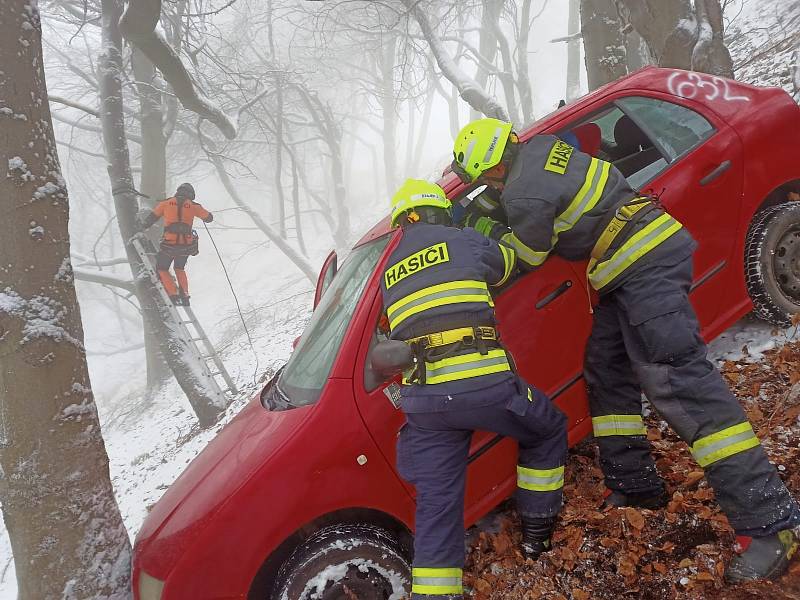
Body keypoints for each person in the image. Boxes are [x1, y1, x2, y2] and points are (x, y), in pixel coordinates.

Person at [449, 117, 800, 582]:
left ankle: (771, 524)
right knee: (607, 370)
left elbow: (525, 256)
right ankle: (635, 486)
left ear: (490, 172)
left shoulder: (522, 195)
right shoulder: (546, 150)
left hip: (641, 265)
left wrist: (478, 225)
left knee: (679, 382)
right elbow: (558, 198)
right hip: (628, 263)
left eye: (482, 180)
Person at [380, 179, 567, 599]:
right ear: (438, 213)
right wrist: (486, 225)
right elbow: (507, 264)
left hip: (426, 406)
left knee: (437, 504)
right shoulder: (461, 239)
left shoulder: (387, 272)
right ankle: (537, 531)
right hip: (485, 388)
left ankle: (435, 594)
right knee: (548, 426)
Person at [138, 183, 213, 306]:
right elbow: (209, 218)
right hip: (186, 246)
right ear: (190, 194)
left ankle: (173, 295)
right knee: (179, 268)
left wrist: (141, 227)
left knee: (162, 268)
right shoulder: (194, 206)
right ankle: (185, 296)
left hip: (169, 244)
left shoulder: (166, 203)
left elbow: (151, 219)